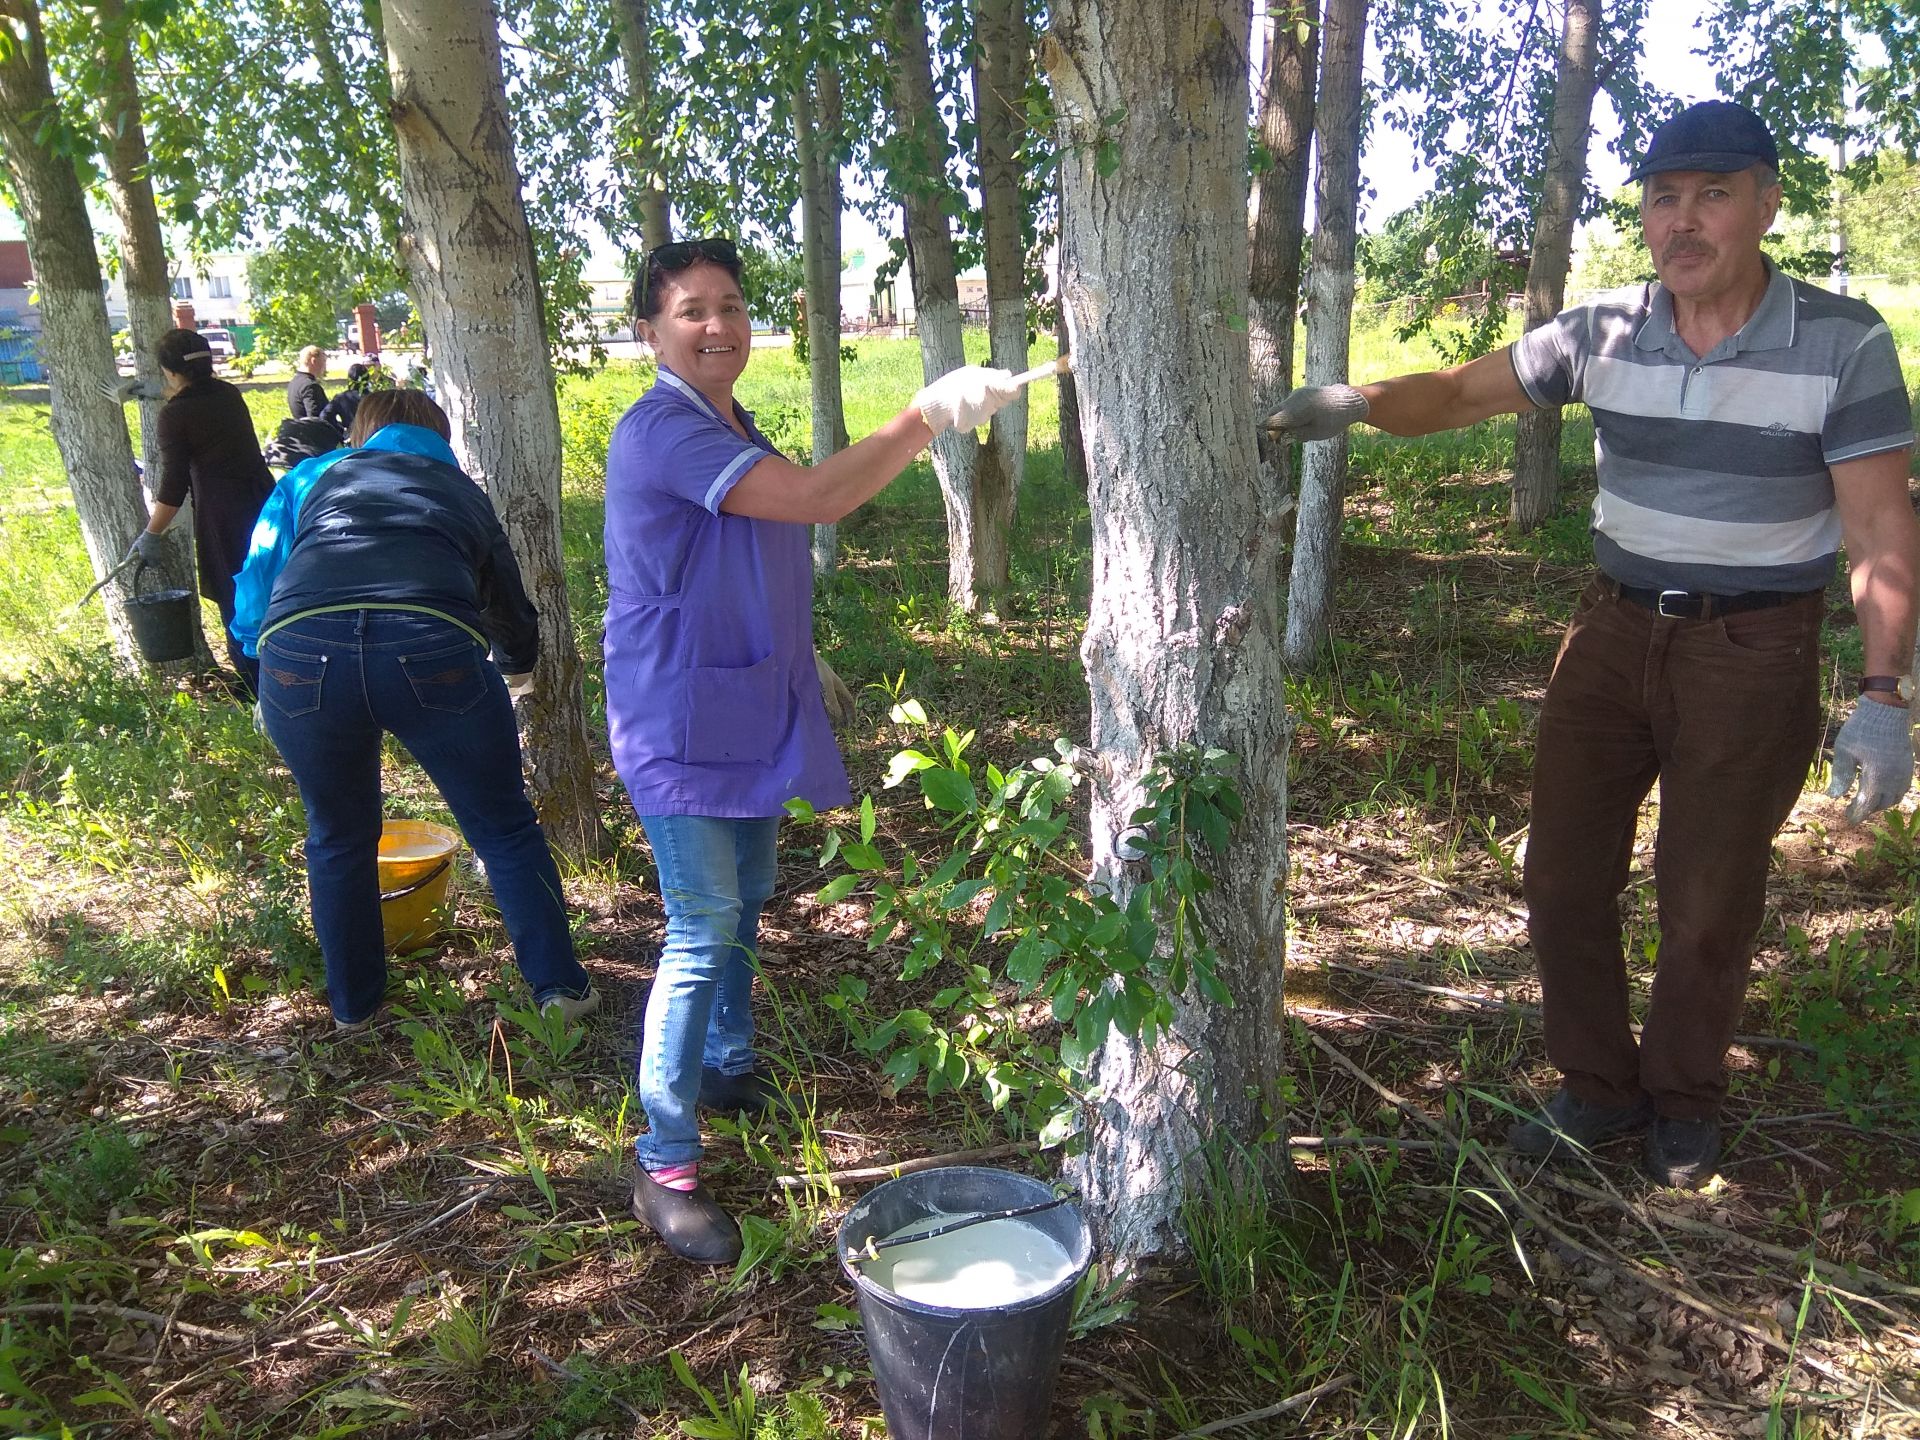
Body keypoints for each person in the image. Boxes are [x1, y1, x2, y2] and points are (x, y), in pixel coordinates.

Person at [1264, 100, 1919, 1189]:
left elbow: (1882, 528)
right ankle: (1597, 1087)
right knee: (1563, 872)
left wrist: (1885, 693)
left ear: (1766, 202)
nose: (1685, 221)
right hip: (1611, 633)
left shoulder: (1840, 343)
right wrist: (1357, 402)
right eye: (1665, 198)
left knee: (1707, 891)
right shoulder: (1601, 331)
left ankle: (1684, 1097)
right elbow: (1462, 390)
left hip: (1752, 651)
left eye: (1714, 194)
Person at [606, 235, 1022, 1262]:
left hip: (739, 704)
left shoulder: (728, 419)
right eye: (693, 310)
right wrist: (925, 416)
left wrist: (805, 661)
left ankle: (731, 1065)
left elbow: (758, 551)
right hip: (678, 719)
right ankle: (662, 1158)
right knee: (702, 925)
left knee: (745, 898)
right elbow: (814, 499)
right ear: (651, 331)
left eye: (733, 306)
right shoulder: (664, 429)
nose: (718, 326)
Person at [232, 389, 598, 1032]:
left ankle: (354, 1008)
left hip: (301, 651)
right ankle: (561, 991)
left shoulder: (311, 477)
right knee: (505, 830)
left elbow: (257, 582)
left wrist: (266, 673)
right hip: (430, 644)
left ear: (361, 435)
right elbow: (505, 601)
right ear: (442, 439)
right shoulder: (456, 489)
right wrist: (517, 673)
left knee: (338, 836)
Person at [124, 328, 276, 696]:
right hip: (264, 499)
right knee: (270, 584)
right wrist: (156, 392)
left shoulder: (174, 416)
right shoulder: (228, 394)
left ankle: (254, 686)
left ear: (171, 372)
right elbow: (200, 402)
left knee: (232, 590)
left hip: (222, 511)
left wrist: (152, 533)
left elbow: (173, 485)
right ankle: (286, 669)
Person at [320, 362, 373, 436]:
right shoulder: (375, 398)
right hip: (372, 436)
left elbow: (324, 415)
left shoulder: (341, 398)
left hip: (352, 436)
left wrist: (340, 429)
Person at [287, 346, 329, 419]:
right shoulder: (310, 386)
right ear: (314, 361)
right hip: (315, 429)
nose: (325, 366)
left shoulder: (294, 382)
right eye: (324, 361)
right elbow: (316, 419)